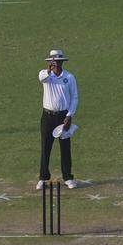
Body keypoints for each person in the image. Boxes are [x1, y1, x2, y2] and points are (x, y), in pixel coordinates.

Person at [37, 49, 79, 190]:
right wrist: (48, 70)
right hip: (47, 116)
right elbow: (41, 77)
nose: (54, 64)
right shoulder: (46, 75)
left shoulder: (69, 77)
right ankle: (43, 178)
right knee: (45, 147)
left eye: (56, 61)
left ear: (61, 62)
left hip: (63, 117)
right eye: (51, 62)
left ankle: (67, 177)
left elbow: (74, 97)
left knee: (65, 148)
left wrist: (69, 115)